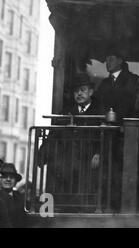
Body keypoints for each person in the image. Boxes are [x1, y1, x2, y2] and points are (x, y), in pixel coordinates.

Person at [38, 74, 105, 211]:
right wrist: (41, 154)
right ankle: (61, 207)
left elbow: (106, 137)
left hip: (89, 161)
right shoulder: (67, 112)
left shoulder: (100, 112)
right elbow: (53, 134)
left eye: (82, 90)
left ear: (91, 92)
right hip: (68, 163)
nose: (79, 94)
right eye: (76, 91)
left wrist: (99, 153)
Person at [95, 49, 139, 123]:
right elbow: (99, 103)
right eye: (106, 60)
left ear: (120, 61)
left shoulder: (132, 80)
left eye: (111, 59)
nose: (107, 63)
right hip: (107, 125)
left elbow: (134, 104)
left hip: (127, 125)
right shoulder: (104, 83)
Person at [0, 163, 26, 228]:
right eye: (4, 176)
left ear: (15, 181)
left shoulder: (20, 197)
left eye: (11, 177)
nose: (8, 179)